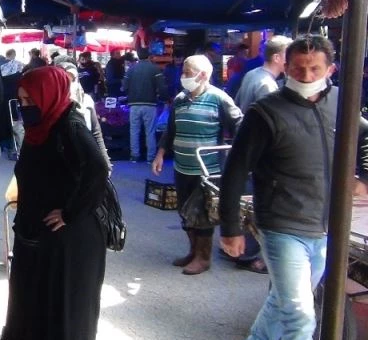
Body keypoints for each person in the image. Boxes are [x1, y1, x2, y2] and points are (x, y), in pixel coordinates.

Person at [218, 35, 368, 340]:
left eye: (315, 69)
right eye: (298, 69)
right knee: (300, 315)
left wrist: (364, 177)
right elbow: (235, 170)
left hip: (326, 226)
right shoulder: (265, 112)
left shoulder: (342, 102)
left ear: (330, 70)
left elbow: (365, 134)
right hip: (281, 225)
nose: (307, 76)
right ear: (286, 67)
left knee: (283, 303)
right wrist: (230, 228)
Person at [2, 67, 109, 340]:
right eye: (22, 100)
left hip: (68, 241)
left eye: (30, 100)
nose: (25, 107)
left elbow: (98, 169)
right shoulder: (40, 129)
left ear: (48, 95)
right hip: (38, 234)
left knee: (61, 311)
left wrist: (70, 212)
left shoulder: (70, 126)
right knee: (33, 306)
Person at [152, 54, 243, 275]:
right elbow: (170, 130)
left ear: (202, 75)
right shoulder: (180, 99)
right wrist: (160, 154)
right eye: (183, 72)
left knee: (203, 215)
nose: (183, 76)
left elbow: (240, 125)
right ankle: (192, 252)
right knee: (185, 212)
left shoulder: (219, 98)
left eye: (187, 73)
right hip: (181, 168)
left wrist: (238, 155)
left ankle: (203, 258)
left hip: (206, 171)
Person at [223, 36, 292, 275]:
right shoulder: (267, 86)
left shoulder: (253, 75)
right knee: (256, 204)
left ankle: (240, 249)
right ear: (278, 57)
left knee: (246, 203)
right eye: (289, 56)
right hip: (259, 152)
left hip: (246, 145)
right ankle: (251, 254)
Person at [58, 62, 113, 172]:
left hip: (88, 164)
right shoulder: (52, 106)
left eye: (73, 80)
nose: (69, 84)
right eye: (65, 80)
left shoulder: (86, 101)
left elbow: (96, 134)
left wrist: (105, 163)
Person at [123, 52, 165, 163]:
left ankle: (134, 156)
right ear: (149, 56)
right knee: (150, 131)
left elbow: (124, 87)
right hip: (150, 104)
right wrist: (164, 98)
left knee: (134, 131)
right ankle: (150, 157)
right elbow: (162, 87)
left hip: (134, 104)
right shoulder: (155, 69)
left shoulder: (131, 69)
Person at [235, 36, 291, 112]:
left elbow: (237, 104)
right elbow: (270, 117)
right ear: (276, 58)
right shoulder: (267, 85)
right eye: (288, 56)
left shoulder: (251, 73)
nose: (291, 60)